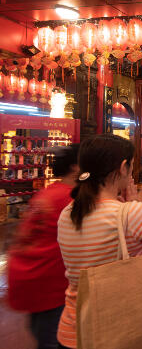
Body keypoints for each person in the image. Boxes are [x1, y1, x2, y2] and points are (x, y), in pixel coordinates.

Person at [56, 135, 142, 349]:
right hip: (119, 330)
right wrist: (135, 205)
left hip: (72, 331)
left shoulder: (67, 214)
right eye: (132, 166)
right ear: (123, 167)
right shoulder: (131, 214)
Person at [7, 145, 79, 349]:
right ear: (75, 167)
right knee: (53, 340)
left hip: (31, 277)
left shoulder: (50, 192)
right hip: (51, 281)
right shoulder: (70, 199)